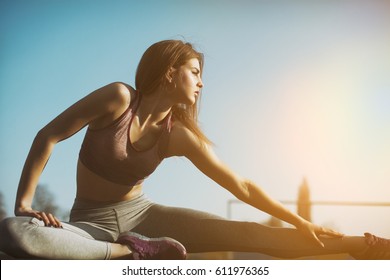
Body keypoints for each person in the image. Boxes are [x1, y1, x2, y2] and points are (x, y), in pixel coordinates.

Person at [0, 40, 389, 260]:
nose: (201, 83)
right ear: (170, 72)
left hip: (146, 217)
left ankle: (363, 247)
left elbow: (242, 186)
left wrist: (299, 220)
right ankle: (124, 250)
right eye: (195, 72)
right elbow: (47, 135)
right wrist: (25, 202)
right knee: (19, 233)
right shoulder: (119, 98)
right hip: (89, 225)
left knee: (245, 233)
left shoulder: (178, 135)